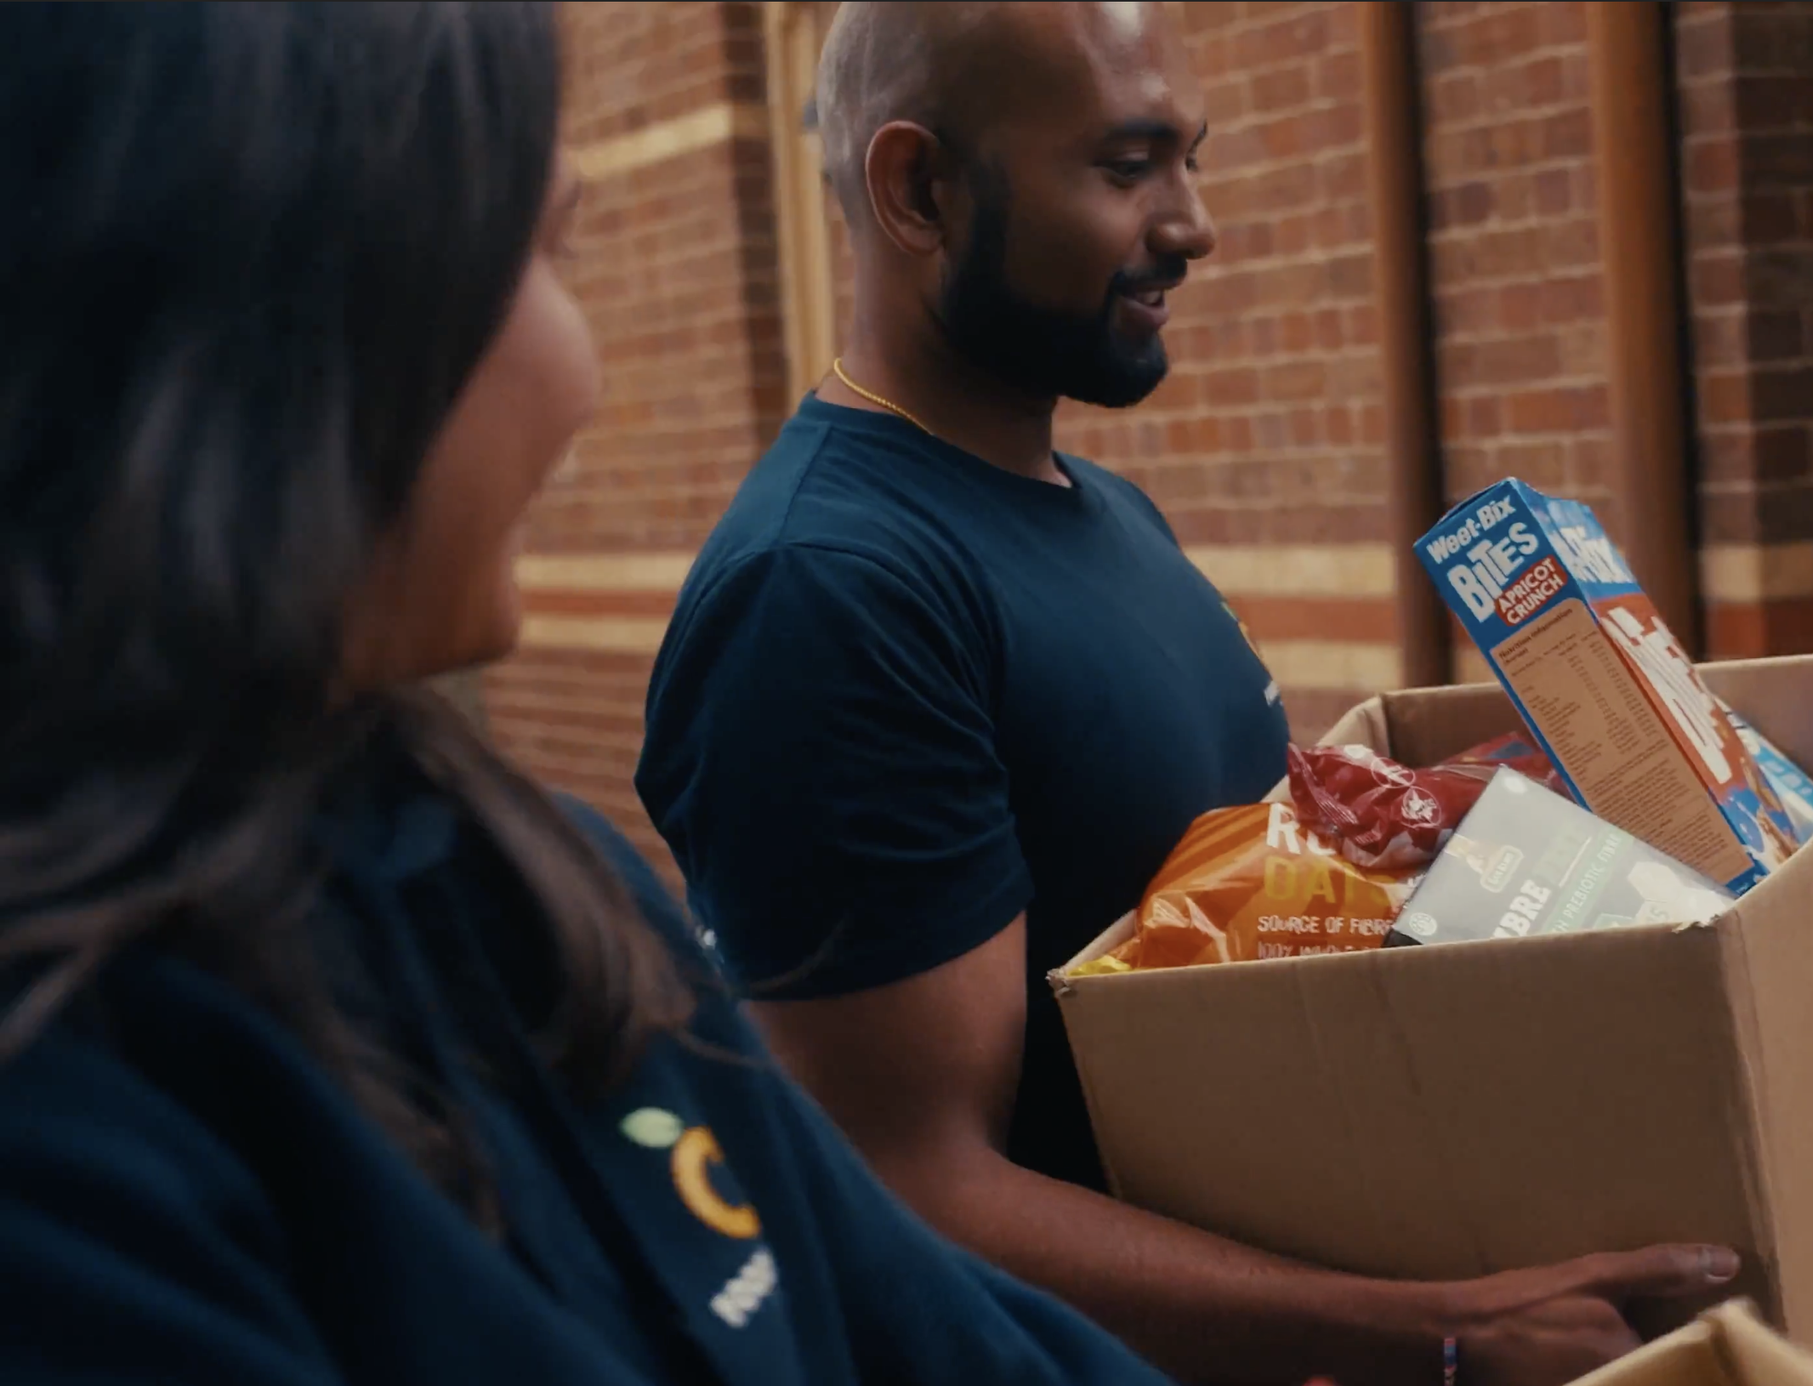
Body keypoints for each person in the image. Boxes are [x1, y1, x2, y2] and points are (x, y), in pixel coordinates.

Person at [0, 5, 1187, 1383]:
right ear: (266, 325)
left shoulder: (524, 880)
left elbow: (926, 1322)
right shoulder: (72, 1150)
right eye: (546, 253)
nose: (584, 377)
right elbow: (925, 1182)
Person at [634, 5, 1741, 1384]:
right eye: (1127, 165)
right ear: (918, 187)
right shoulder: (829, 591)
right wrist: (1446, 1328)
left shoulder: (1107, 513)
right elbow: (898, 1184)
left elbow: (1227, 930)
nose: (1194, 223)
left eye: (1193, 159)